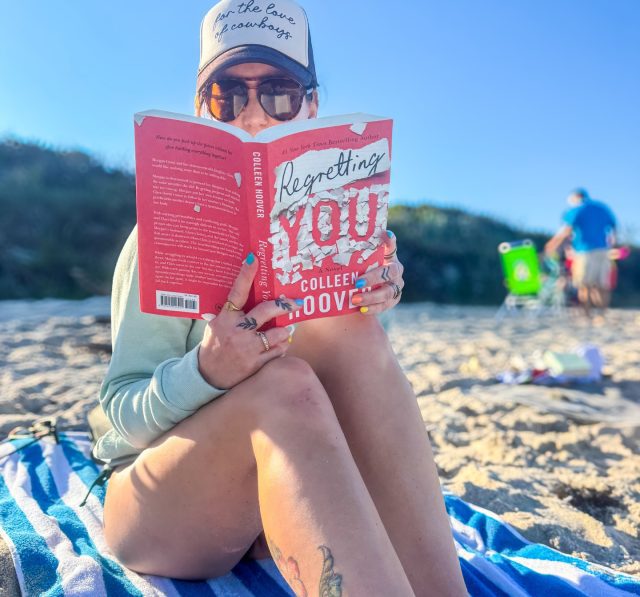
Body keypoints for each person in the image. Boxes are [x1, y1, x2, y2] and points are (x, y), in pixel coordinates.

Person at [94, 1, 467, 595]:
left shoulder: (332, 230)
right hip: (159, 507)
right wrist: (207, 372)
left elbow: (350, 401)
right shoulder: (163, 232)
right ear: (202, 108)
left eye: (279, 93)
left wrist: (367, 300)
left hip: (265, 507)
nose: (252, 114)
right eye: (226, 95)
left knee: (350, 332)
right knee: (282, 387)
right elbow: (119, 416)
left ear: (311, 106)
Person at [545, 188, 617, 316]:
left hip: (585, 250)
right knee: (601, 285)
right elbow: (614, 227)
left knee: (584, 284)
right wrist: (612, 243)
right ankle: (602, 315)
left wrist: (552, 244)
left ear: (575, 197)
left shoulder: (577, 209)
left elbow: (567, 230)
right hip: (603, 250)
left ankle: (586, 315)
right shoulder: (602, 208)